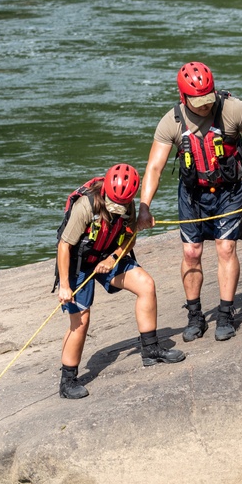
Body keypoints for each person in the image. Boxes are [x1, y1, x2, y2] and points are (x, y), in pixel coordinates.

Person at [137, 62, 242, 342]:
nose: (206, 106)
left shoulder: (234, 110)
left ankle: (226, 314)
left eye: (208, 100)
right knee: (191, 252)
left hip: (230, 189)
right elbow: (154, 168)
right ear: (183, 98)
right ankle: (195, 315)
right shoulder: (171, 122)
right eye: (198, 102)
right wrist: (145, 206)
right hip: (193, 194)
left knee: (225, 248)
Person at [56, 163, 185, 400]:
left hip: (108, 258)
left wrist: (113, 257)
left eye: (123, 205)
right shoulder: (86, 206)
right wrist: (65, 284)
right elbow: (64, 246)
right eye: (115, 205)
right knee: (80, 321)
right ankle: (68, 380)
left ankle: (150, 350)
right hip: (78, 264)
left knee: (146, 285)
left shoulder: (128, 205)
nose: (119, 210)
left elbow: (129, 238)